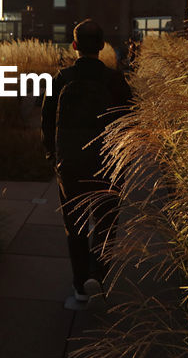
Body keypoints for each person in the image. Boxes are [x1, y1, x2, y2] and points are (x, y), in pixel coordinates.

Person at [41, 19, 132, 304]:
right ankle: (97, 273)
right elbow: (129, 122)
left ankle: (80, 286)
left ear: (74, 45)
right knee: (106, 220)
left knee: (76, 223)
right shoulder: (116, 80)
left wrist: (53, 155)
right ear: (103, 46)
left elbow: (46, 122)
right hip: (107, 162)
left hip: (71, 162)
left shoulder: (62, 79)